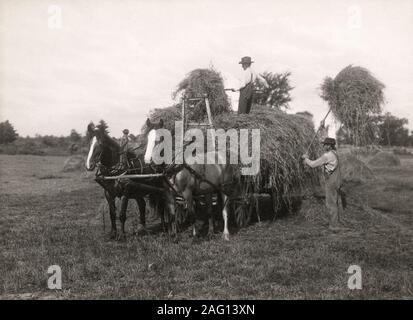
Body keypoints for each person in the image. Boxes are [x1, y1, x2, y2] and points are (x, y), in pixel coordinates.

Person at [302, 137, 346, 231]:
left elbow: (313, 164)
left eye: (325, 145)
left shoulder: (328, 156)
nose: (323, 146)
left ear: (329, 146)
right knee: (335, 202)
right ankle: (335, 223)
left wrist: (306, 159)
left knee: (331, 203)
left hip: (331, 182)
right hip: (337, 180)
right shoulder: (335, 154)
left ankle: (334, 226)